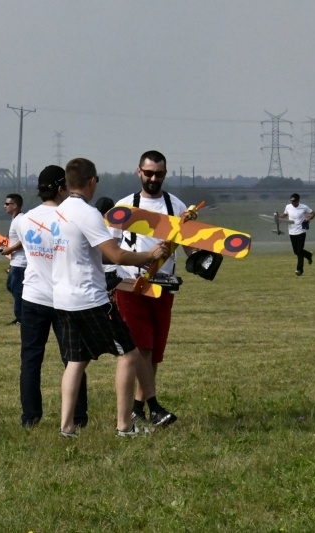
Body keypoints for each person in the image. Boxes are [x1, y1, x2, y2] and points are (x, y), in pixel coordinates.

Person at [49, 157, 170, 438]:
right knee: (129, 354)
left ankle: (66, 428)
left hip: (62, 298)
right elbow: (115, 255)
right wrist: (149, 256)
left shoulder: (59, 212)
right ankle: (125, 426)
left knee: (76, 361)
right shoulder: (88, 213)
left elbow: (96, 251)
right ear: (92, 182)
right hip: (90, 299)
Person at [112, 150, 189, 427]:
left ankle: (137, 407)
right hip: (131, 285)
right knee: (141, 346)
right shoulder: (124, 206)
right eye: (149, 173)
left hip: (164, 287)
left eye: (159, 174)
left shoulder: (177, 206)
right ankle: (155, 408)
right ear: (139, 172)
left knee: (154, 352)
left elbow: (189, 242)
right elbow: (110, 249)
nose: (153, 178)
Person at [15, 165, 89, 429]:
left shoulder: (24, 220)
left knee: (30, 360)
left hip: (32, 297)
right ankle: (78, 418)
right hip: (62, 299)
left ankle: (30, 418)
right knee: (74, 360)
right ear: (61, 188)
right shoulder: (67, 217)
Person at [1, 193, 26, 325]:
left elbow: (24, 240)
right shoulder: (15, 219)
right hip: (15, 262)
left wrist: (9, 250)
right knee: (11, 286)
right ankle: (23, 316)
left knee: (17, 290)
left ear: (15, 205)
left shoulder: (20, 220)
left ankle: (21, 319)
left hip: (21, 263)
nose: (4, 206)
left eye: (7, 204)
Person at [278, 193, 315, 276]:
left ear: (298, 200)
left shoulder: (304, 207)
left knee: (299, 251)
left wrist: (308, 218)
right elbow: (284, 214)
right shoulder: (288, 207)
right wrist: (277, 216)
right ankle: (309, 255)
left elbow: (313, 213)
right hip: (291, 232)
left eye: (294, 201)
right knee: (296, 251)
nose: (293, 203)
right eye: (291, 201)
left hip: (301, 231)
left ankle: (299, 270)